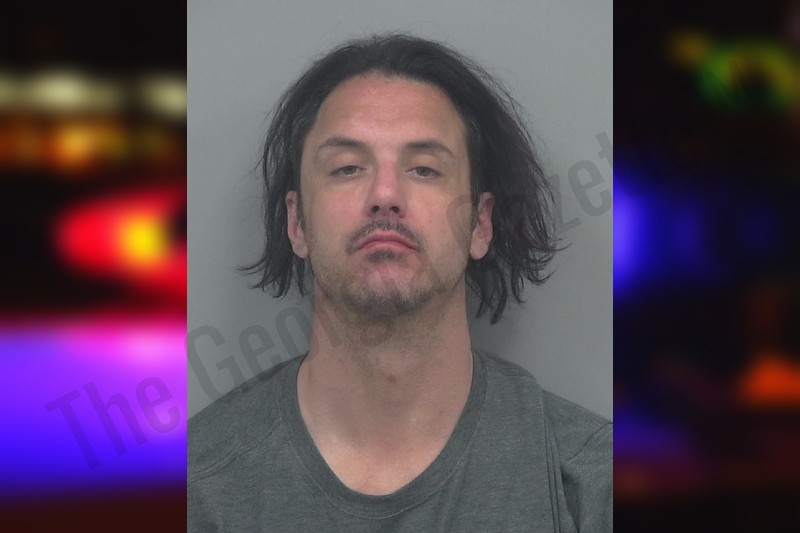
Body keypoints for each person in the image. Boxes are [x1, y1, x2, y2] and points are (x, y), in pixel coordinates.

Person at [188, 33, 611, 532]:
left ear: (480, 224)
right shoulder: (196, 488)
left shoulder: (591, 486)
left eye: (424, 169)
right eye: (347, 168)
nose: (385, 194)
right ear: (297, 223)